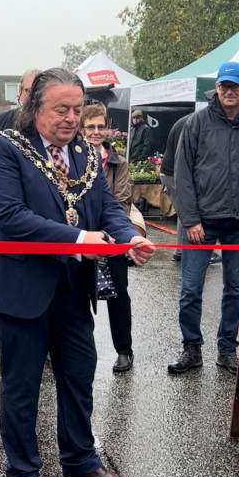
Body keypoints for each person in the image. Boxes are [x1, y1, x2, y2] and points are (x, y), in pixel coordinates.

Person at [0, 68, 155, 477]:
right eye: (61, 109)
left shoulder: (89, 157)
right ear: (35, 107)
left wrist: (128, 239)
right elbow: (9, 217)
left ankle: (79, 461)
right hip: (22, 287)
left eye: (77, 109)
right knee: (21, 384)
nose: (72, 118)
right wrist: (78, 239)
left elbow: (106, 208)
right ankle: (23, 471)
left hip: (74, 287)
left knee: (78, 376)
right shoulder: (5, 149)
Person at [170, 61, 239, 376]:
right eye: (223, 86)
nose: (228, 91)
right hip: (202, 222)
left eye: (234, 85)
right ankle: (191, 347)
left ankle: (227, 349)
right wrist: (190, 220)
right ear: (216, 88)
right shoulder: (197, 123)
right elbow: (181, 174)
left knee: (235, 289)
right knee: (190, 288)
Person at [0, 67, 40, 355]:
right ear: (19, 92)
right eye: (28, 91)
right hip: (3, 212)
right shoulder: (2, 121)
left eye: (37, 92)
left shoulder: (45, 124)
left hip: (35, 213)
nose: (30, 97)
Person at [80, 104, 135, 372]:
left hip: (113, 239)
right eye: (90, 127)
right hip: (80, 238)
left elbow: (122, 201)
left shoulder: (118, 162)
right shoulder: (72, 159)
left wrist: (107, 234)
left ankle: (124, 350)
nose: (96, 131)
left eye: (100, 126)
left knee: (118, 295)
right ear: (82, 129)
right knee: (76, 293)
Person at [160, 114, 221, 264]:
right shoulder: (195, 123)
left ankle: (182, 250)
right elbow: (184, 156)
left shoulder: (187, 121)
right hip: (174, 173)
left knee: (185, 210)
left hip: (171, 171)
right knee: (186, 209)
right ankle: (182, 250)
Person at [0, 68, 41, 135]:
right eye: (29, 91)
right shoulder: (0, 120)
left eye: (38, 91)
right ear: (20, 92)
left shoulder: (51, 124)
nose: (33, 96)